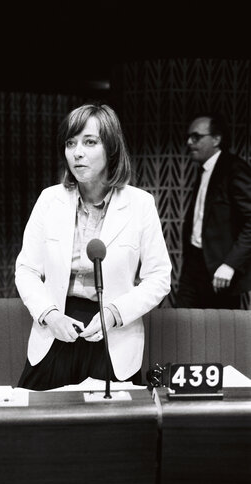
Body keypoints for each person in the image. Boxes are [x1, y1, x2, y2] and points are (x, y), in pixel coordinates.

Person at [15, 103, 172, 390]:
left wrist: (113, 313)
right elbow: (25, 270)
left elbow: (159, 278)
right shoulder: (49, 200)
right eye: (70, 143)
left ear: (111, 149)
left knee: (111, 431)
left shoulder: (140, 204)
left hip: (113, 332)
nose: (77, 153)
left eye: (90, 142)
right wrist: (50, 315)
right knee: (38, 428)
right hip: (56, 327)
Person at [176, 112, 251, 309]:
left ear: (216, 139)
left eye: (196, 137)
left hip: (221, 271)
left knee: (220, 332)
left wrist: (230, 265)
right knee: (183, 322)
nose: (189, 142)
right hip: (194, 265)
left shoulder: (234, 168)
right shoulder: (203, 169)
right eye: (188, 137)